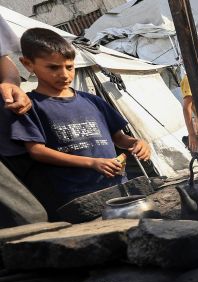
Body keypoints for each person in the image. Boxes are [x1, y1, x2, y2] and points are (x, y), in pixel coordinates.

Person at [10, 28, 151, 213]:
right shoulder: (30, 106)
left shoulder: (92, 101)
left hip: (118, 187)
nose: (65, 74)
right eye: (53, 67)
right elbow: (37, 151)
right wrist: (92, 163)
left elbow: (119, 138)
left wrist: (138, 143)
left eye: (69, 67)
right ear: (28, 64)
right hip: (75, 197)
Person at [0, 14, 48, 228]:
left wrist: (11, 84)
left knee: (39, 213)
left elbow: (4, 64)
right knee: (29, 219)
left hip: (10, 133)